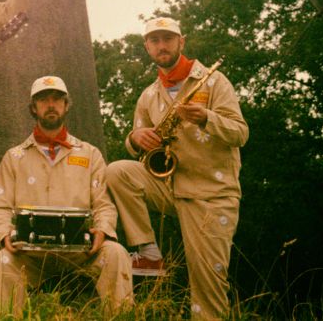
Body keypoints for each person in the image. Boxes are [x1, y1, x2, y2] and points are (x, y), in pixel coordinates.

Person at [105, 17, 249, 319]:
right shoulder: (148, 95)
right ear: (147, 47)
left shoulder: (214, 81)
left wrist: (206, 118)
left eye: (168, 39)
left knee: (207, 282)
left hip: (211, 194)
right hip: (172, 187)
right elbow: (140, 146)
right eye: (154, 40)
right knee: (117, 171)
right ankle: (148, 252)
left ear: (181, 42)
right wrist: (134, 138)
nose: (162, 45)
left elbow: (240, 133)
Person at [0, 76, 133, 317]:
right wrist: (4, 235)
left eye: (57, 99)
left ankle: (121, 316)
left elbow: (104, 204)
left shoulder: (89, 154)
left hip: (80, 253)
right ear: (34, 108)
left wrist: (103, 230)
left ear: (66, 105)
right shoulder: (14, 157)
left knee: (116, 253)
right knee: (1, 262)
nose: (50, 105)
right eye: (43, 100)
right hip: (30, 256)